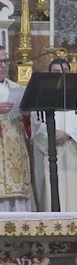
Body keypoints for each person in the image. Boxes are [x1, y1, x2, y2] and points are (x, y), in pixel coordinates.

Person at [33, 58, 77, 212]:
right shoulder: (39, 97)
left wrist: (68, 134)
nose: (60, 76)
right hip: (49, 149)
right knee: (49, 190)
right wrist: (51, 135)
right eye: (56, 72)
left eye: (65, 72)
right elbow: (36, 122)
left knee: (76, 192)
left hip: (73, 150)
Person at [0, 46, 34, 211]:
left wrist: (27, 114)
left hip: (16, 154)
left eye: (5, 61)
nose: (3, 65)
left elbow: (30, 125)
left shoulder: (16, 88)